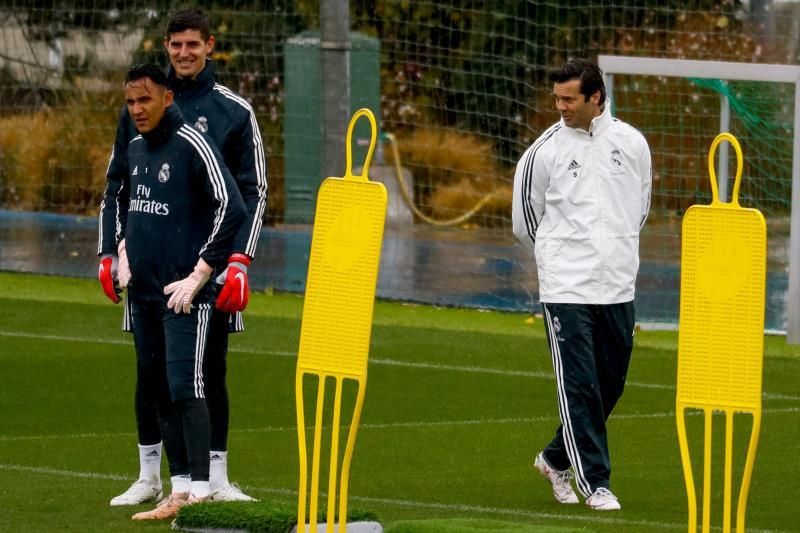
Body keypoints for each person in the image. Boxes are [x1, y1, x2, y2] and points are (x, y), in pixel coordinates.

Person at [98, 8, 267, 505]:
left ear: (209, 46)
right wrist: (110, 251)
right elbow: (116, 187)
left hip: (207, 273)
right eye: (176, 45)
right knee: (149, 373)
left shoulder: (234, 112)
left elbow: (252, 192)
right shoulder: (141, 104)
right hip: (149, 269)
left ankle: (215, 478)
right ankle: (150, 475)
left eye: (193, 44)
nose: (184, 53)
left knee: (209, 369)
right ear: (167, 47)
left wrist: (240, 260)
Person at [511, 58, 652, 511]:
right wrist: (561, 258)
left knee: (611, 384)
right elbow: (525, 222)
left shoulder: (632, 143)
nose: (560, 106)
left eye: (569, 98)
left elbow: (640, 207)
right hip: (565, 287)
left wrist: (614, 250)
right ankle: (596, 482)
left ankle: (554, 458)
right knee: (580, 385)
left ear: (596, 97)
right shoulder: (543, 152)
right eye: (556, 98)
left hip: (617, 285)